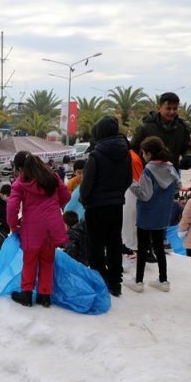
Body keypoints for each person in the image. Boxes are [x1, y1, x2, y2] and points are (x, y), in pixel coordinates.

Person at [7, 154, 71, 307]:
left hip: (32, 227)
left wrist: (13, 225)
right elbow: (66, 196)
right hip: (52, 226)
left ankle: (27, 295)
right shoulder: (52, 177)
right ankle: (45, 296)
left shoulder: (21, 182)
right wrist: (55, 207)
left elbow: (12, 207)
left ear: (20, 168)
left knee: (29, 261)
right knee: (47, 260)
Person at [79, 116, 133, 297]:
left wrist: (84, 200)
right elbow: (128, 180)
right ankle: (115, 283)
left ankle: (100, 280)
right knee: (114, 243)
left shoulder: (96, 155)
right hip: (116, 205)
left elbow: (86, 185)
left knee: (95, 246)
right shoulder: (126, 153)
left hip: (96, 207)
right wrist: (117, 195)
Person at [125, 136, 180, 293]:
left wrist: (132, 184)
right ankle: (163, 280)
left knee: (142, 248)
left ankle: (138, 281)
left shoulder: (149, 169)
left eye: (143, 153)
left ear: (148, 154)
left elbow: (145, 195)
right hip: (163, 214)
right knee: (159, 247)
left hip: (147, 214)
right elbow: (178, 186)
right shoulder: (170, 167)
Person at [131, 92, 191, 170]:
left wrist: (188, 157)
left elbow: (188, 147)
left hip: (172, 175)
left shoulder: (181, 127)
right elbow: (133, 151)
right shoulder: (145, 128)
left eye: (175, 109)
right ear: (159, 108)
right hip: (149, 176)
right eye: (168, 108)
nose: (172, 112)